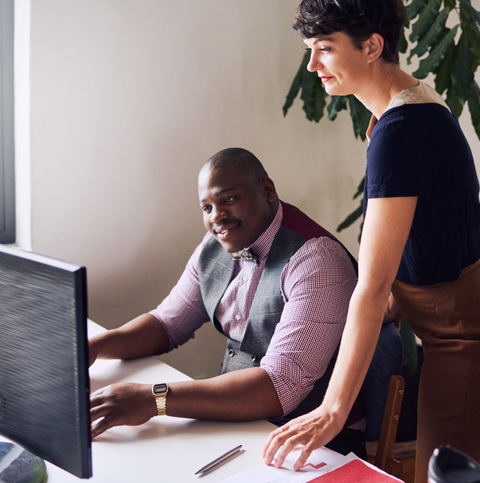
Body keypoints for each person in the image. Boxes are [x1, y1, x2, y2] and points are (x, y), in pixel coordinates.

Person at [261, 2, 480, 482]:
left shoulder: (402, 130)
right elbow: (425, 235)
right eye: (309, 51)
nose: (313, 65)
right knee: (469, 471)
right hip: (463, 309)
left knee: (441, 474)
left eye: (324, 49)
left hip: (468, 331)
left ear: (372, 46)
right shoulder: (402, 111)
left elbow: (373, 284)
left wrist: (334, 410)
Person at [88, 147, 365, 452]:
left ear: (267, 191)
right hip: (237, 425)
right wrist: (95, 347)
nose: (216, 216)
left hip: (311, 442)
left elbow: (279, 387)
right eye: (206, 207)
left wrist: (155, 399)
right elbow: (167, 324)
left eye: (228, 200)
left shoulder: (317, 260)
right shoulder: (215, 245)